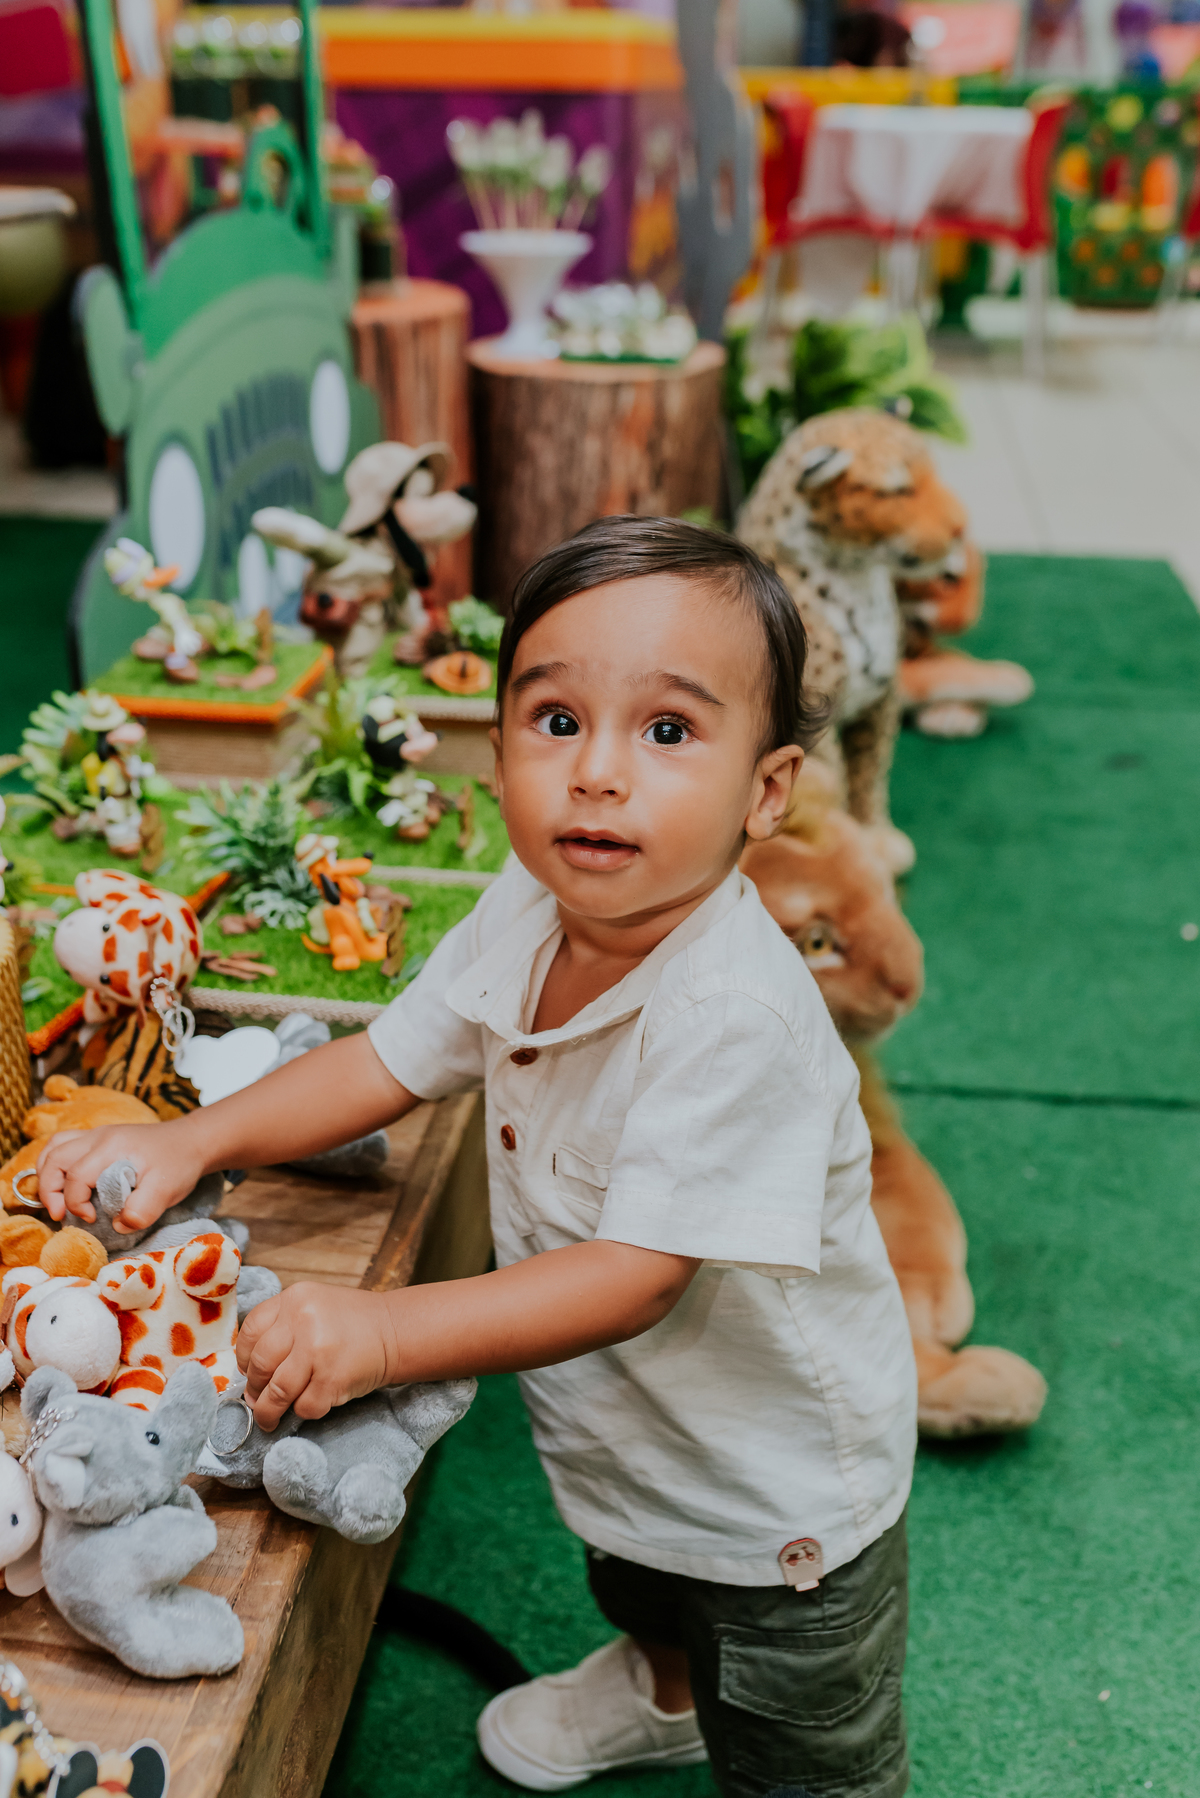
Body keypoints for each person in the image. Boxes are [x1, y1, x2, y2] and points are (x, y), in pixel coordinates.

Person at [37, 517, 917, 1798]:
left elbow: (635, 1275)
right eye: (556, 720)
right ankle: (662, 1691)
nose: (598, 774)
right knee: (642, 1582)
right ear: (497, 742)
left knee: (801, 1745)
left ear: (767, 790)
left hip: (773, 1502)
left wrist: (385, 1334)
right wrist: (196, 1132)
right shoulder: (533, 906)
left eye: (668, 732)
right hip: (632, 1434)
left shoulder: (736, 1013)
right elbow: (384, 1060)